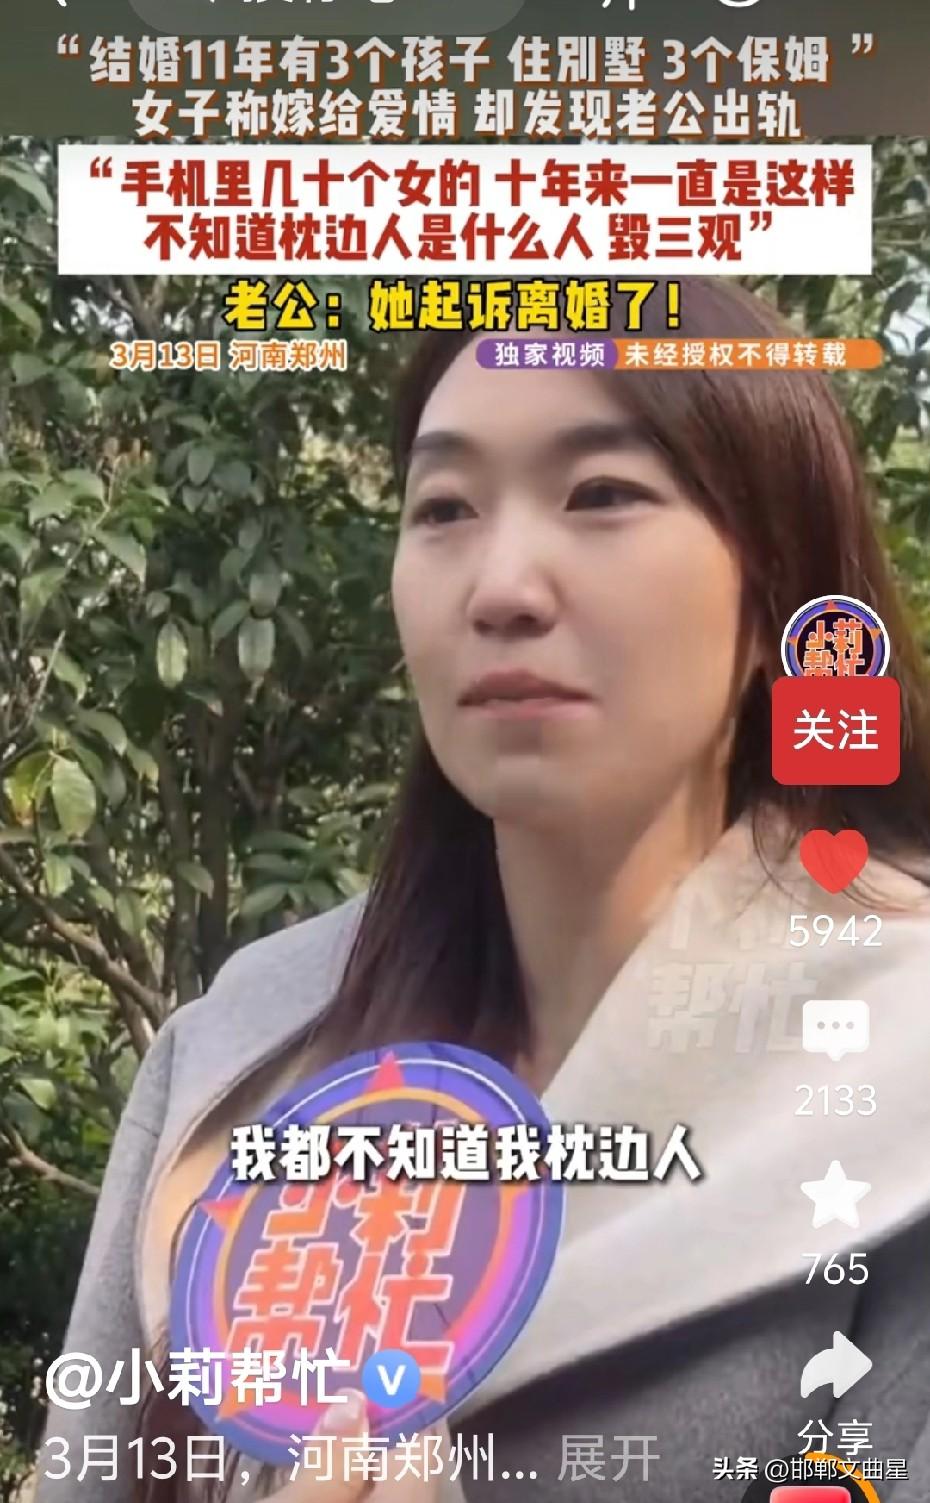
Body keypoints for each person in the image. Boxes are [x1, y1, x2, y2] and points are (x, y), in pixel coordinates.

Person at [36, 278, 930, 1503]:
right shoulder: (238, 1049)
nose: (501, 586)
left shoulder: (899, 1060)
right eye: (445, 507)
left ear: (776, 587)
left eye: (602, 494)